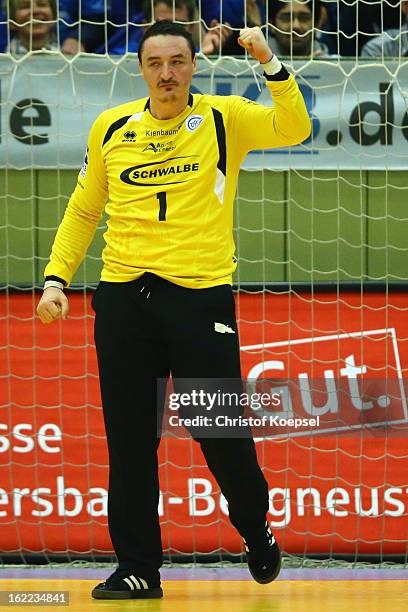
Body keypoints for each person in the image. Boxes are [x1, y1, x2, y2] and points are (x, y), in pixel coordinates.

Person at [37, 19, 310, 599]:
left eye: (178, 62)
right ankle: (138, 567)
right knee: (130, 441)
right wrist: (56, 277)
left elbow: (294, 124)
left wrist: (268, 60)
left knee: (220, 432)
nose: (167, 73)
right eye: (156, 63)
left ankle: (255, 529)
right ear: (140, 68)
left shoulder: (222, 117)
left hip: (199, 295)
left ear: (194, 64)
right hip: (123, 300)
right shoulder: (111, 128)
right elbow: (85, 210)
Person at [142, 0, 233, 55]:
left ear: (191, 28)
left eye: (179, 25)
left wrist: (203, 56)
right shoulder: (129, 54)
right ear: (145, 28)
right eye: (162, 25)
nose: (170, 33)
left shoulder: (198, 54)